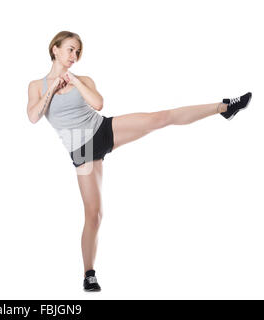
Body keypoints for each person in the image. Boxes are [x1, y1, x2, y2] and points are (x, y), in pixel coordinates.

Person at [26, 31, 252, 292]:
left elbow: (98, 104)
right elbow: (33, 116)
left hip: (103, 129)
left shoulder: (83, 79)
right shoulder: (36, 86)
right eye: (70, 50)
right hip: (80, 148)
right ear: (55, 49)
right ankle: (89, 273)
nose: (74, 56)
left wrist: (75, 81)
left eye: (77, 52)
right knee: (94, 215)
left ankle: (225, 107)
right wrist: (53, 87)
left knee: (160, 118)